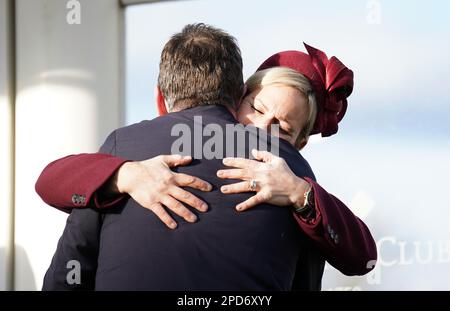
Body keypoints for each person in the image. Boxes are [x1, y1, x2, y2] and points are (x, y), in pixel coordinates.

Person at [40, 24, 376, 290]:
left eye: (282, 129)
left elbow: (69, 270)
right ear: (238, 97)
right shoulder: (123, 158)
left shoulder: (290, 177)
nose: (261, 128)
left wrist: (300, 193)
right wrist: (124, 174)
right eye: (257, 109)